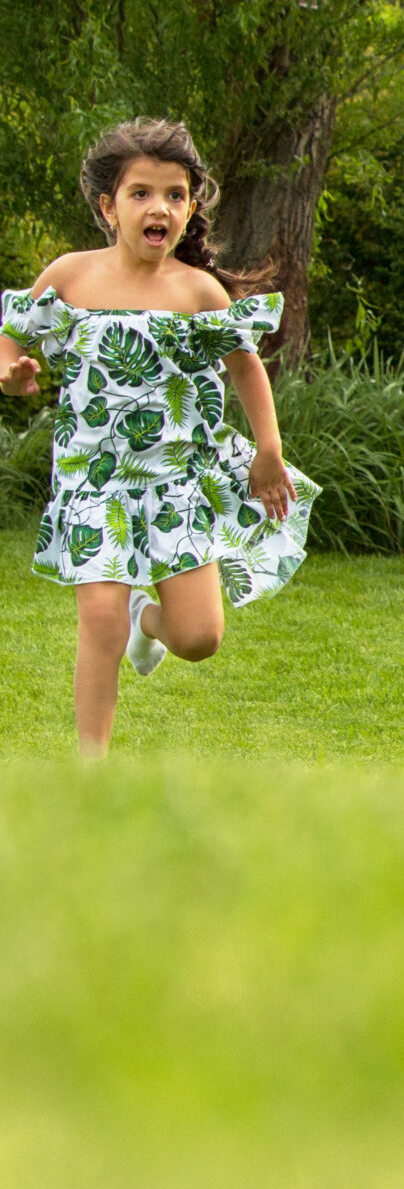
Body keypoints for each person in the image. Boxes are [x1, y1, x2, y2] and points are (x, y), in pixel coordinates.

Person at [0, 119, 314, 757]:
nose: (159, 207)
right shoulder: (71, 276)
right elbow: (12, 336)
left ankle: (149, 621)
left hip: (177, 480)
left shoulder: (197, 291)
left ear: (190, 208)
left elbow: (245, 365)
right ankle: (92, 773)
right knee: (97, 617)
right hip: (94, 479)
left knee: (198, 638)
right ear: (106, 207)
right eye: (140, 193)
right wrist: (11, 371)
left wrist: (268, 450)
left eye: (174, 195)